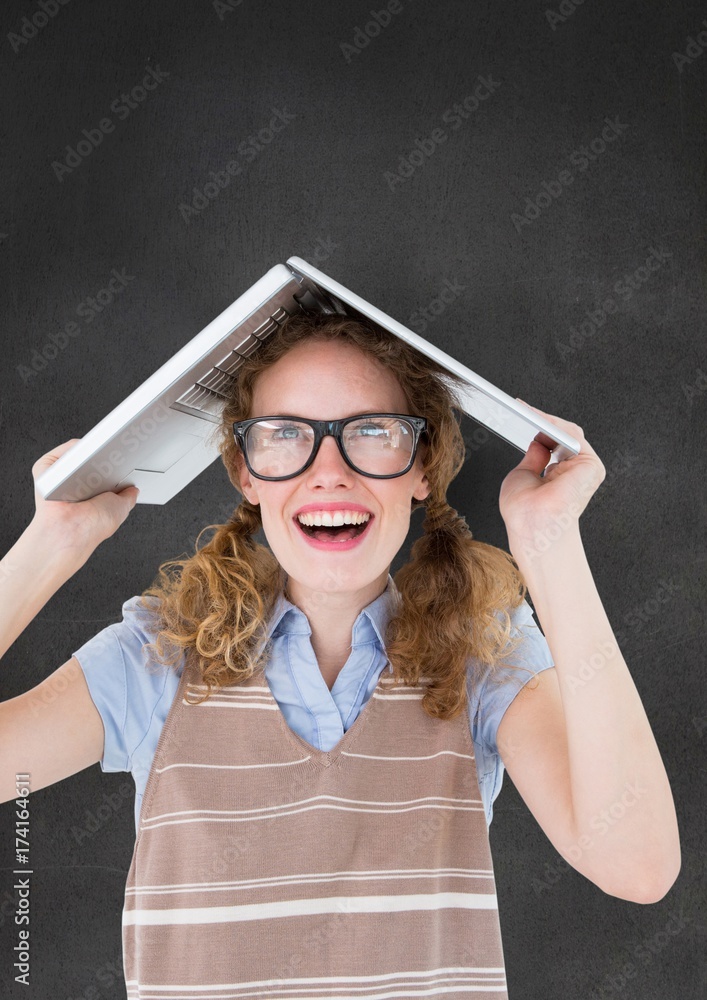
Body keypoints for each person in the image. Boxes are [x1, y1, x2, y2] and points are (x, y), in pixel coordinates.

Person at [0, 311, 680, 997]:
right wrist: (48, 547)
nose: (328, 473)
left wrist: (549, 542)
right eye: (286, 435)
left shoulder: (483, 649)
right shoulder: (159, 653)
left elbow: (637, 867)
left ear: (421, 466)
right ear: (244, 471)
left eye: (372, 433)